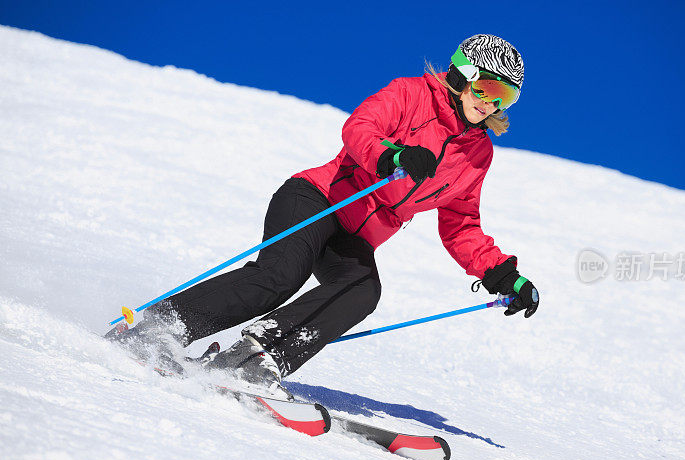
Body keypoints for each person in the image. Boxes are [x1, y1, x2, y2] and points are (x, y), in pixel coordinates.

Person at [114, 34, 539, 395]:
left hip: (356, 237)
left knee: (360, 290)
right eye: (486, 89)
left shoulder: (477, 154)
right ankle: (160, 327)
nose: (490, 104)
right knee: (278, 277)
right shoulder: (410, 95)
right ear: (461, 76)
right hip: (319, 198)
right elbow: (360, 128)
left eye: (505, 97)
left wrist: (499, 272)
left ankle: (258, 358)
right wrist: (393, 155)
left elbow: (460, 224)